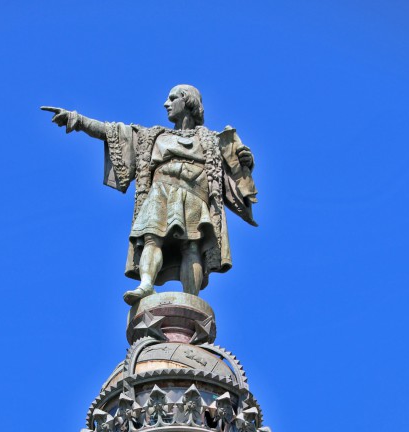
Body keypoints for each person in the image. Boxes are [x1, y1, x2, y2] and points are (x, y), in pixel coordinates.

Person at [41, 85, 257, 305]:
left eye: (172, 98)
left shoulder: (211, 140)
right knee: (151, 238)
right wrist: (77, 120)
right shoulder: (153, 136)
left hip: (195, 194)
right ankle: (146, 285)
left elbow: (237, 173)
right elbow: (113, 132)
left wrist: (246, 162)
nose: (166, 104)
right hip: (160, 192)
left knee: (192, 245)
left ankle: (191, 299)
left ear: (187, 101)